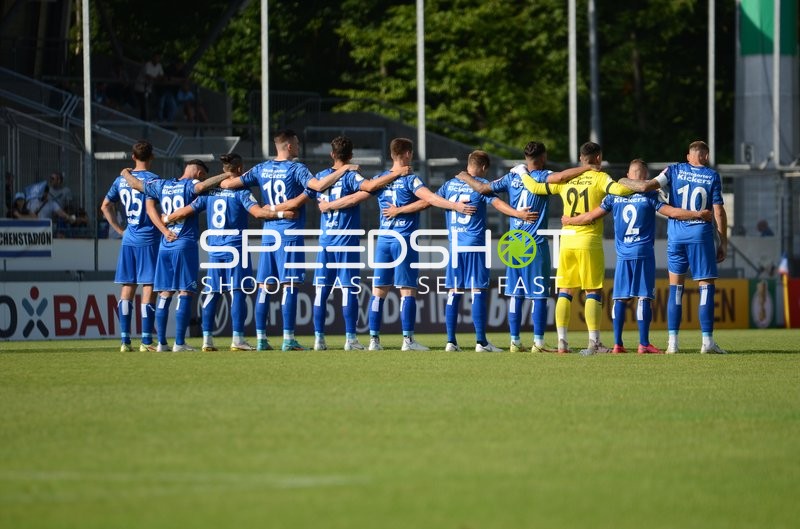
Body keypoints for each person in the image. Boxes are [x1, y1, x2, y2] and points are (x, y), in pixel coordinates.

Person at [324, 137, 476, 351]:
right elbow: (431, 199)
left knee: (378, 291)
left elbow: (354, 198)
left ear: (391, 154)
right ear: (407, 154)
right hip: (403, 241)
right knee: (407, 290)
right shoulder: (410, 179)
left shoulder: (379, 179)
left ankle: (374, 341)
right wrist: (455, 206)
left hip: (383, 241)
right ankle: (408, 341)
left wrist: (329, 205)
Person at [220, 129, 355, 351]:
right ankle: (288, 339)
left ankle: (261, 339)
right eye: (297, 143)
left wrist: (271, 208)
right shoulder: (297, 169)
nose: (299, 147)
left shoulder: (261, 168)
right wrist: (345, 169)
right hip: (289, 234)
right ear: (290, 146)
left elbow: (227, 184)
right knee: (289, 286)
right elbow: (318, 186)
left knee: (264, 287)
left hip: (268, 234)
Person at [562, 159, 712, 354]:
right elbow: (672, 212)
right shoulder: (649, 194)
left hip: (623, 254)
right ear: (645, 176)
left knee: (620, 298)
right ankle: (643, 344)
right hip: (643, 252)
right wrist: (697, 214)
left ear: (628, 175)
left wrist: (570, 220)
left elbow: (591, 216)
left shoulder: (614, 195)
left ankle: (617, 344)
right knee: (643, 297)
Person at [165, 153, 296, 352]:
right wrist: (282, 213)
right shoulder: (241, 191)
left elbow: (186, 210)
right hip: (236, 247)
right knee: (238, 293)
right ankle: (237, 339)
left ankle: (207, 340)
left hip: (215, 249)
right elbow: (257, 213)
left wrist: (166, 219)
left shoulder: (210, 192)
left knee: (212, 292)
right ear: (240, 169)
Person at [519, 141, 634, 354]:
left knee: (565, 290)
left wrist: (523, 172)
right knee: (593, 290)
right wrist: (642, 183)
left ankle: (562, 342)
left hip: (567, 240)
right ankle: (594, 342)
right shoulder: (600, 177)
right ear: (598, 158)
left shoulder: (567, 179)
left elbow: (535, 187)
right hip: (588, 239)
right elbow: (621, 190)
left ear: (581, 158)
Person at [618, 140, 728, 354]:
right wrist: (723, 241)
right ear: (706, 156)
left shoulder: (674, 170)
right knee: (706, 287)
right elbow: (719, 212)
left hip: (676, 236)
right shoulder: (712, 176)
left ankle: (672, 343)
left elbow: (646, 186)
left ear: (688, 156)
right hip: (700, 235)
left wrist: (623, 180)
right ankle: (707, 342)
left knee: (676, 289)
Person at [457, 141, 564, 352]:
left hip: (514, 244)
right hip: (534, 243)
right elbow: (562, 178)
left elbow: (483, 188)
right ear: (543, 157)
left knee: (516, 294)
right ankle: (538, 343)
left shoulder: (511, 177)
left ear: (526, 157)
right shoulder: (544, 176)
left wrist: (465, 176)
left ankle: (514, 341)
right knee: (539, 294)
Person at [312, 136, 415, 351]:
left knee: (322, 290)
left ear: (332, 154)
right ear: (351, 155)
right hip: (346, 240)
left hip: (325, 241)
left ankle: (318, 339)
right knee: (348, 289)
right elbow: (369, 186)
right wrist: (397, 173)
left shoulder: (321, 177)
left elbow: (314, 192)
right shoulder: (351, 176)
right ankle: (350, 339)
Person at [121, 159, 232, 352]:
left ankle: (162, 343)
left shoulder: (163, 185)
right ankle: (179, 343)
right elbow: (202, 187)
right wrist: (228, 174)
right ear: (199, 174)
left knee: (164, 293)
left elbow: (136, 185)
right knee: (185, 292)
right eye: (203, 176)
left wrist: (124, 173)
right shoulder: (192, 185)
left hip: (165, 245)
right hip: (184, 244)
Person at [434, 150, 538, 352]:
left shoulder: (449, 184)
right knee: (477, 291)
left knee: (454, 292)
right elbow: (497, 203)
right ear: (483, 167)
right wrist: (518, 214)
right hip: (474, 244)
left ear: (469, 163)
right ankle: (481, 342)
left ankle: (450, 341)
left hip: (454, 246)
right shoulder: (480, 185)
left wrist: (452, 206)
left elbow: (430, 199)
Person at [100, 140, 164, 352]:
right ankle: (146, 341)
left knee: (127, 287)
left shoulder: (121, 180)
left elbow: (105, 206)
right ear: (152, 157)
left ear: (133, 157)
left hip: (129, 239)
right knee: (149, 286)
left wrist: (120, 230)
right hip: (149, 238)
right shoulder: (155, 180)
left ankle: (125, 341)